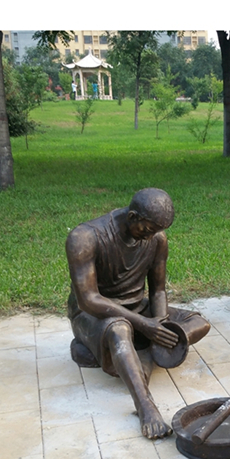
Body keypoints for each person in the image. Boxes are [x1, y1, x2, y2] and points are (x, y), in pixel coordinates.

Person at [65, 188, 210, 439]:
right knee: (119, 329)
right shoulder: (84, 238)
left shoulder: (157, 238)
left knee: (198, 322)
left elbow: (158, 290)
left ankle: (137, 355)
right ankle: (145, 405)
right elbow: (88, 300)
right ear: (132, 216)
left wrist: (160, 325)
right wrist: (144, 325)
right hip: (95, 314)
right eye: (147, 230)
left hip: (136, 308)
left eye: (156, 232)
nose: (150, 237)